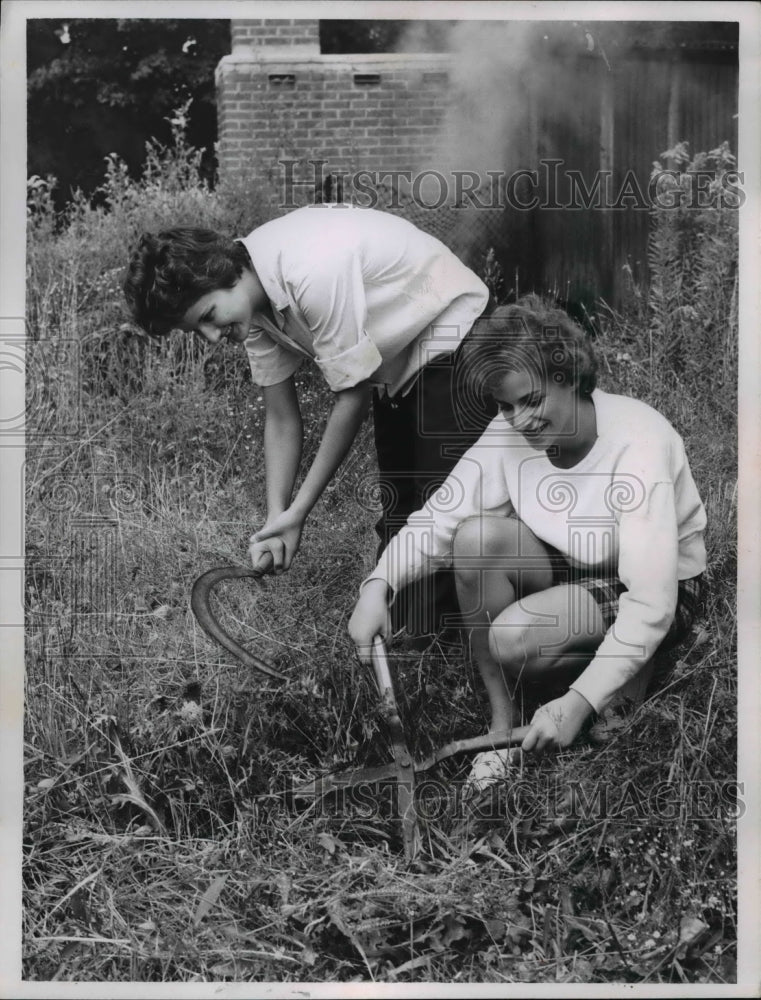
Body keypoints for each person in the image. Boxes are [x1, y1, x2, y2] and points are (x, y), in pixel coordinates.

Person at [348, 295, 707, 789]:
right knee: (474, 538)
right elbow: (440, 519)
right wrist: (379, 584)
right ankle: (503, 727)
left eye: (532, 400)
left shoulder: (639, 443)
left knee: (515, 639)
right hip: (573, 561)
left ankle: (627, 674)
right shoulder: (509, 434)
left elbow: (651, 599)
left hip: (655, 586)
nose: (519, 420)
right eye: (505, 405)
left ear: (570, 377)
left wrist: (578, 704)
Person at [123, 204, 495, 635]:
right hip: (398, 362)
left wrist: (300, 511)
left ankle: (450, 663)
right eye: (196, 331)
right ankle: (408, 640)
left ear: (221, 272)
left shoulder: (311, 268)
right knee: (398, 515)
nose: (211, 336)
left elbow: (351, 397)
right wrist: (276, 518)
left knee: (439, 505)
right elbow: (280, 417)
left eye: (208, 317)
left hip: (455, 333)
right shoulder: (252, 303)